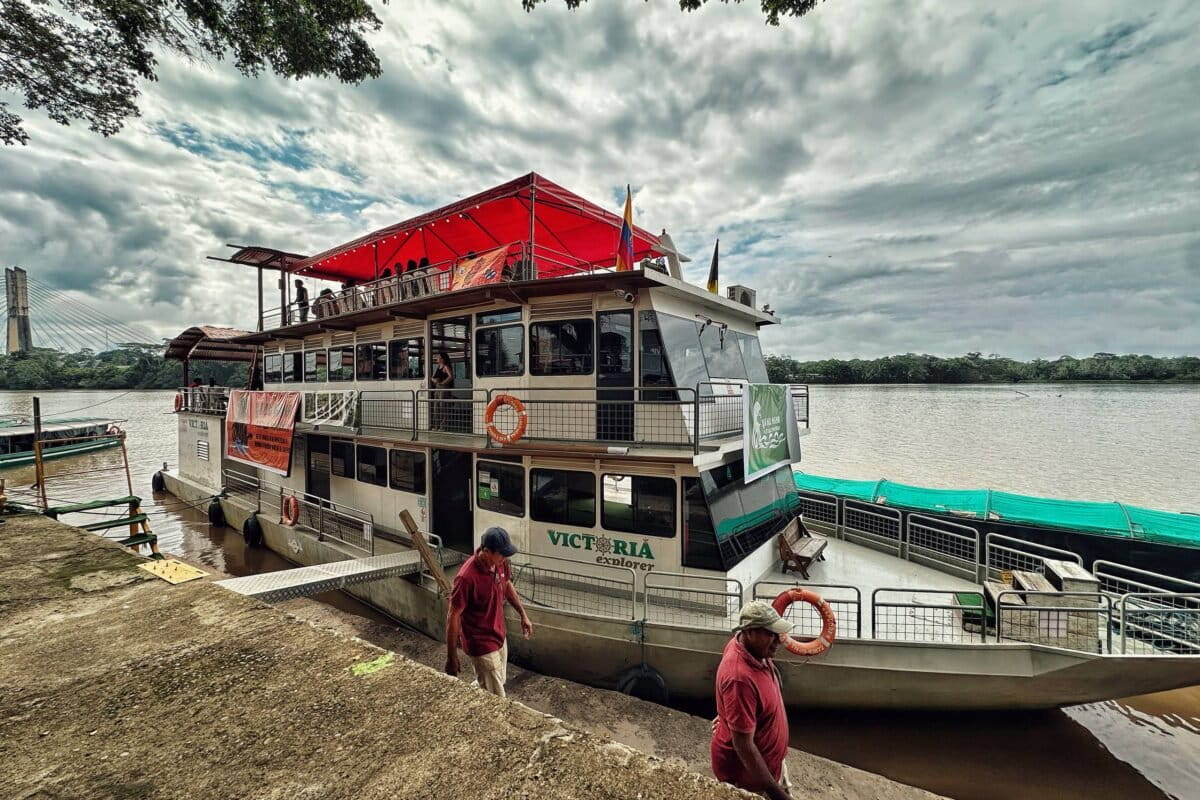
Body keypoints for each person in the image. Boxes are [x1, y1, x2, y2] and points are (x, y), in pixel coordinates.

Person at [710, 601, 793, 800]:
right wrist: (778, 795)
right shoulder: (741, 679)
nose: (778, 641)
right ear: (749, 632)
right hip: (748, 780)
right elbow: (744, 746)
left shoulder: (747, 647)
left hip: (770, 764)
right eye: (770, 634)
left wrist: (728, 714)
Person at [445, 526, 532, 698]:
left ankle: (469, 696)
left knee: (496, 680)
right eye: (502, 554)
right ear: (486, 552)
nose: (506, 558)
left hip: (499, 635)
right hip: (480, 642)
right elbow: (453, 616)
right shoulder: (466, 578)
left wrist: (523, 615)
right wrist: (451, 656)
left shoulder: (500, 563)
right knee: (498, 697)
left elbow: (507, 585)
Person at [430, 350, 454, 430]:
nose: (437, 358)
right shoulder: (438, 367)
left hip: (444, 388)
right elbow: (432, 377)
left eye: (438, 357)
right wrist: (434, 381)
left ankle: (443, 426)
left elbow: (450, 376)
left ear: (442, 359)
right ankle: (436, 425)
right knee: (436, 407)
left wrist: (443, 382)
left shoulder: (445, 367)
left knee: (443, 407)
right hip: (437, 388)